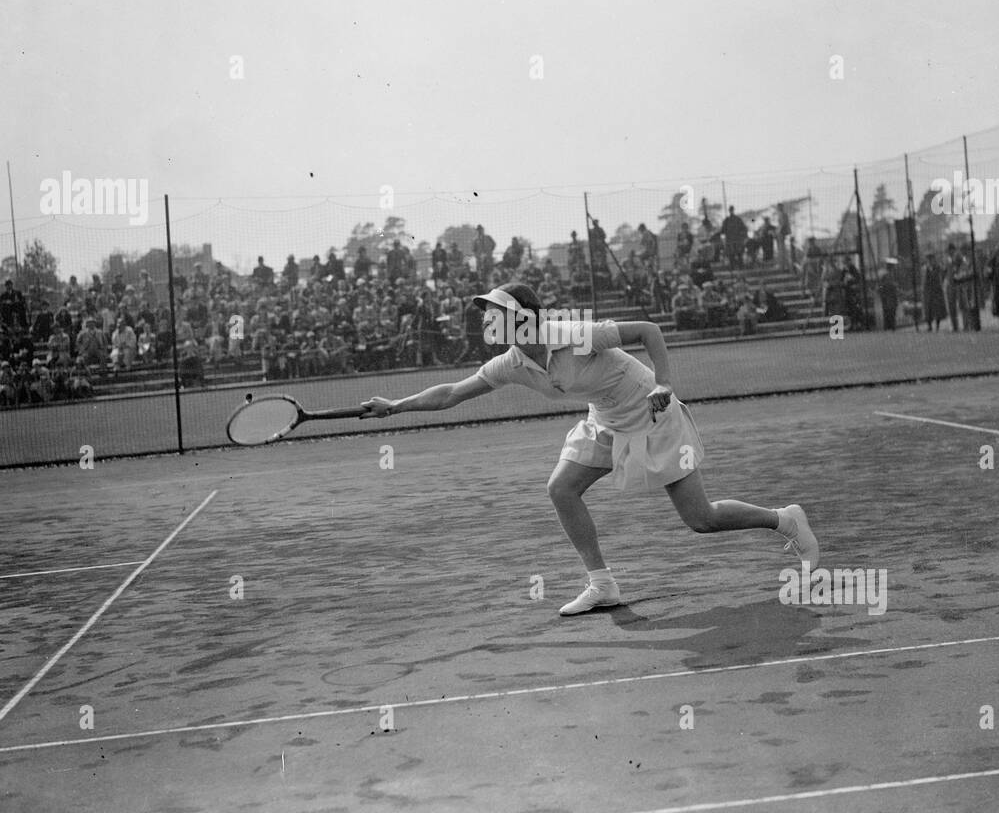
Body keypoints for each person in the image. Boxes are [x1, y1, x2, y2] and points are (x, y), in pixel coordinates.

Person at [360, 282, 819, 616]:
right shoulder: (511, 363)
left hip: (651, 410)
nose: (485, 321)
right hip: (606, 419)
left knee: (701, 519)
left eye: (493, 312)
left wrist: (664, 381)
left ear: (521, 317)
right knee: (561, 488)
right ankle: (603, 584)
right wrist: (395, 406)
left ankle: (785, 519)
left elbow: (649, 331)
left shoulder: (573, 334)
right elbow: (452, 393)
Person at [921, 252, 948, 331]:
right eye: (928, 258)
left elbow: (943, 272)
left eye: (931, 258)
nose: (930, 260)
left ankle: (937, 325)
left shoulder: (937, 267)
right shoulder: (925, 268)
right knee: (928, 309)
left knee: (937, 309)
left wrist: (941, 282)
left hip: (936, 291)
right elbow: (924, 280)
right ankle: (929, 325)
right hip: (928, 291)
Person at [877, 264, 899, 330]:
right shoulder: (888, 277)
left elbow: (881, 287)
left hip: (888, 297)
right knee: (890, 311)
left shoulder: (888, 276)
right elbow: (884, 286)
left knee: (889, 311)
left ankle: (889, 326)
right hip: (889, 297)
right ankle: (890, 326)